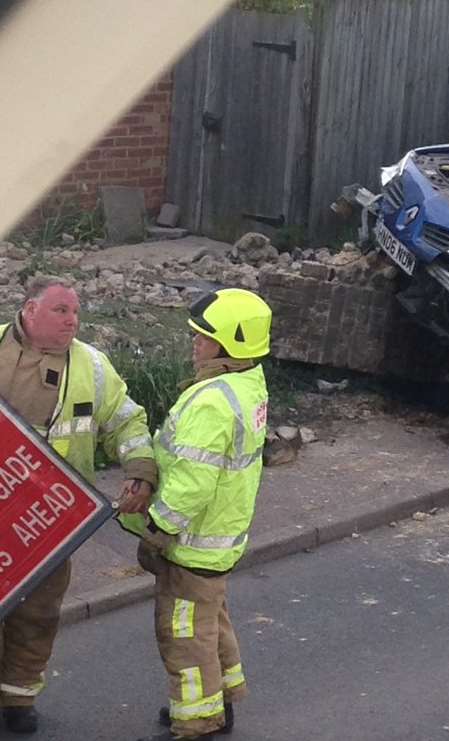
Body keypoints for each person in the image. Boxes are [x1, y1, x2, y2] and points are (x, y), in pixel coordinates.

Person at [0, 276, 157, 735]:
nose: (73, 321)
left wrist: (141, 468)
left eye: (76, 312)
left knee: (38, 612)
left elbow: (126, 422)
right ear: (30, 310)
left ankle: (17, 699)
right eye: (61, 311)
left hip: (49, 519)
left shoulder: (92, 365)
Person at [119, 288, 271, 741]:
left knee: (185, 636)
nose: (194, 344)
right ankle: (220, 700)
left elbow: (193, 483)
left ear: (228, 346)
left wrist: (157, 528)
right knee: (210, 621)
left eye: (202, 337)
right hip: (221, 538)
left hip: (191, 541)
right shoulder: (249, 384)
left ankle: (198, 720)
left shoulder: (211, 401)